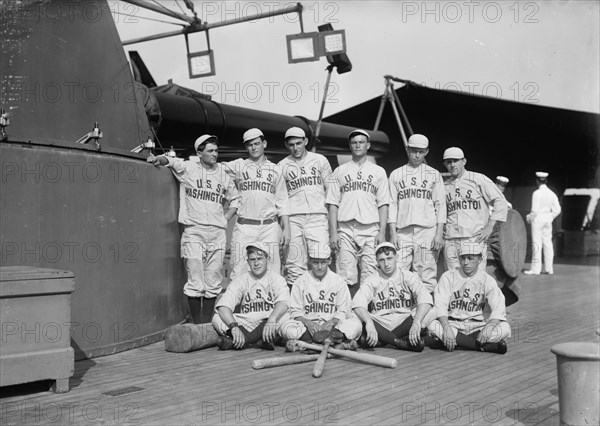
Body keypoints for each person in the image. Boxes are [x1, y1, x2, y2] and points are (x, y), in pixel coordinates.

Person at [147, 135, 239, 323]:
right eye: (210, 151)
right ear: (199, 153)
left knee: (213, 277)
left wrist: (225, 217)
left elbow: (236, 199)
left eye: (216, 151)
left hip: (217, 232)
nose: (215, 154)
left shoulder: (222, 172)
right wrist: (159, 159)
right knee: (196, 277)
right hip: (194, 230)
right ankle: (197, 325)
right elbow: (171, 161)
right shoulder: (190, 168)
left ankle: (206, 325)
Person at [326, 129, 391, 296]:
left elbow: (383, 204)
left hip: (370, 228)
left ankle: (367, 315)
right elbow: (333, 204)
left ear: (368, 145)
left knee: (370, 273)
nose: (357, 145)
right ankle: (349, 314)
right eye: (354, 142)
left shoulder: (378, 171)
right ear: (350, 146)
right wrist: (333, 233)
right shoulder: (340, 171)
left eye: (361, 142)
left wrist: (382, 232)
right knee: (345, 273)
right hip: (346, 228)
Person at [223, 128, 291, 280]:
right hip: (245, 225)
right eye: (249, 145)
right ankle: (241, 304)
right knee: (238, 270)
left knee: (272, 270)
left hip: (269, 226)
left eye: (256, 143)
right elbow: (214, 169)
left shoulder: (275, 169)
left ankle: (270, 304)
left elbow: (282, 200)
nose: (253, 148)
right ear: (245, 147)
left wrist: (286, 228)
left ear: (264, 144)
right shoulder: (239, 165)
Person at [347, 242, 436, 352]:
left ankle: (382, 341)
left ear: (396, 257)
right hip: (381, 322)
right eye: (382, 260)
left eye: (389, 258)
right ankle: (400, 342)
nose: (386, 264)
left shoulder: (408, 276)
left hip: (405, 321)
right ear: (377, 261)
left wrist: (417, 322)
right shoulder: (372, 279)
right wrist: (369, 323)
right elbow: (357, 304)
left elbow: (425, 298)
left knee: (432, 311)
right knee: (354, 314)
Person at [427, 242, 511, 354]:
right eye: (463, 258)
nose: (466, 262)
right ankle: (481, 346)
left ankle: (457, 343)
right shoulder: (448, 276)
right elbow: (440, 306)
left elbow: (499, 308)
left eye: (470, 258)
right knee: (432, 325)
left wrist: (489, 327)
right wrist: (446, 328)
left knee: (504, 328)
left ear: (480, 259)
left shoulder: (487, 280)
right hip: (452, 325)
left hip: (477, 326)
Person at [388, 134, 446, 293]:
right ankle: (402, 311)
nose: (417, 155)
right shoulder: (396, 174)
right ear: (407, 149)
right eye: (414, 151)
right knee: (398, 270)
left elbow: (440, 205)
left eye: (421, 151)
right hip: (403, 231)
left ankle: (426, 311)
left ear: (426, 151)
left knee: (425, 272)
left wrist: (439, 234)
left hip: (427, 230)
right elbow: (392, 205)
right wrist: (393, 233)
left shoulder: (433, 174)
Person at [278, 127, 332, 287]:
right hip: (294, 219)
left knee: (321, 259)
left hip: (317, 216)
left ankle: (321, 304)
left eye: (299, 143)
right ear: (287, 145)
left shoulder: (320, 160)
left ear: (306, 141)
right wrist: (284, 226)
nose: (295, 148)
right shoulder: (282, 165)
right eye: (291, 144)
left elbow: (331, 190)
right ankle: (296, 308)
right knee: (294, 265)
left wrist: (330, 220)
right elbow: (281, 199)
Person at [279, 242, 360, 349]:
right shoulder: (300, 281)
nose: (320, 267)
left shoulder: (338, 281)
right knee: (285, 326)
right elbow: (295, 311)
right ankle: (336, 344)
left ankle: (311, 345)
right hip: (308, 328)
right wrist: (308, 323)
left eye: (323, 262)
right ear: (310, 261)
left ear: (329, 261)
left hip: (333, 328)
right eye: (316, 263)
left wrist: (332, 323)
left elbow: (343, 310)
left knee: (356, 324)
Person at [212, 242, 289, 350]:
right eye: (252, 260)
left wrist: (272, 319)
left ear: (267, 259)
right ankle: (258, 341)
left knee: (285, 316)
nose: (256, 263)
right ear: (248, 262)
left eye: (260, 258)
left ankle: (242, 341)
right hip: (247, 322)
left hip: (268, 321)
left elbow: (283, 303)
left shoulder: (277, 279)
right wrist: (234, 327)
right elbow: (223, 307)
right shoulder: (241, 280)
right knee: (217, 318)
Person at [442, 147, 508, 272]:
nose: (452, 164)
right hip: (451, 240)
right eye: (448, 162)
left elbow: (500, 201)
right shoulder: (444, 186)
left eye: (455, 161)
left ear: (464, 161)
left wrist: (490, 226)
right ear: (445, 164)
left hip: (473, 238)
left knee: (475, 280)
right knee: (453, 280)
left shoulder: (478, 179)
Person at [524, 171, 561, 275]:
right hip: (548, 219)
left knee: (537, 244)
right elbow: (557, 209)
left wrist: (529, 218)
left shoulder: (536, 193)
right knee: (548, 244)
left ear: (537, 181)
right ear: (546, 181)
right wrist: (550, 217)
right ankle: (549, 269)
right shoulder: (552, 194)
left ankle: (536, 269)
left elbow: (534, 210)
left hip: (538, 219)